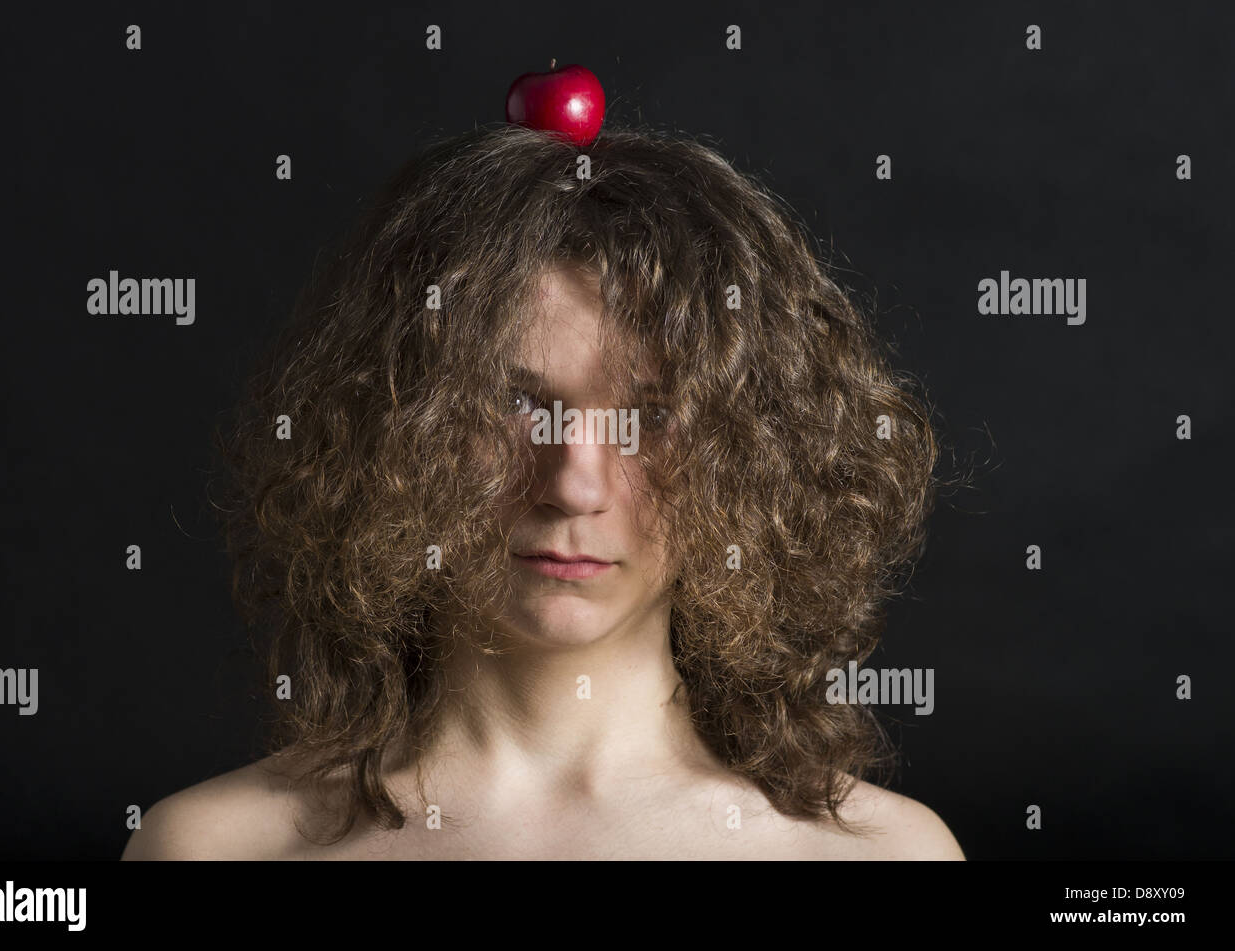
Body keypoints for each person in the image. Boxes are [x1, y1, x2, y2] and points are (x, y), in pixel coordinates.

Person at [122, 124, 964, 860]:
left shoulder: (886, 856)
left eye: (653, 415)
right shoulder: (213, 849)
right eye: (515, 403)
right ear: (394, 428)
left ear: (754, 455)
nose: (574, 484)